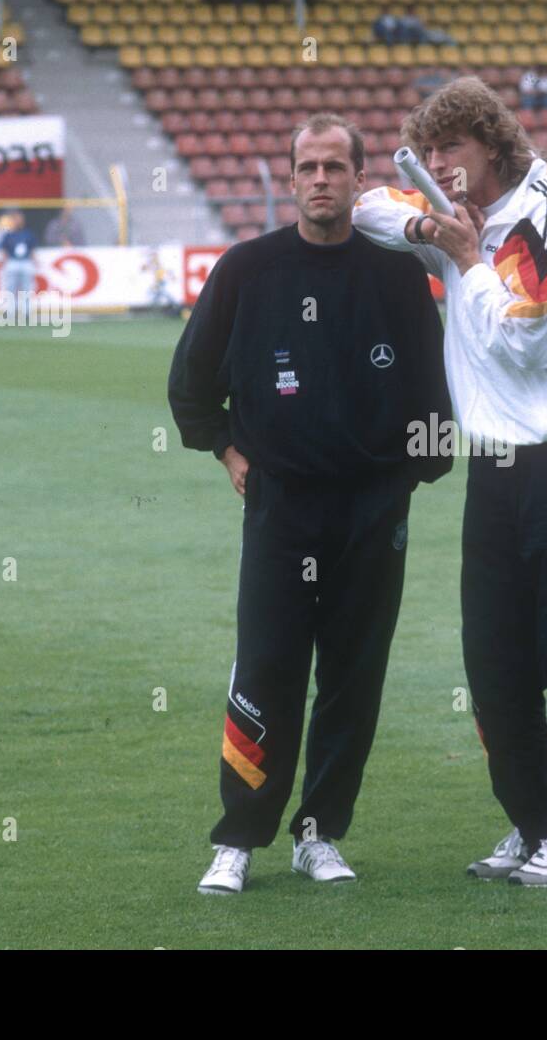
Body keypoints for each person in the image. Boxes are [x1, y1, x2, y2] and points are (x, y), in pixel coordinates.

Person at [352, 77, 547, 887]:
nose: (439, 163)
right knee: (494, 657)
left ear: (495, 148)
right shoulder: (451, 210)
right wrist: (424, 223)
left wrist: (465, 257)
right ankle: (535, 817)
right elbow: (369, 203)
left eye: (453, 149)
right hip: (497, 466)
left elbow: (528, 348)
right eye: (430, 151)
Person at [169, 114, 453, 895]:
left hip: (372, 510)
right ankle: (239, 837)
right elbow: (191, 384)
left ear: (362, 180)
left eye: (336, 166)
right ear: (290, 178)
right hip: (281, 508)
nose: (322, 179)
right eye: (308, 166)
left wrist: (405, 481)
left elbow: (435, 392)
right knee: (267, 666)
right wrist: (232, 453)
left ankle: (320, 831)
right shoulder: (247, 270)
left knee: (354, 676)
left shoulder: (397, 275)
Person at [0, 210, 37, 319]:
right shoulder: (8, 235)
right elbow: (4, 250)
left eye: (20, 219)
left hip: (25, 262)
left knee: (26, 289)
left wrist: (34, 262)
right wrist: (4, 262)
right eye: (16, 219)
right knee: (10, 288)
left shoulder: (28, 234)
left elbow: (32, 250)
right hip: (12, 262)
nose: (18, 221)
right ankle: (10, 312)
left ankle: (26, 312)